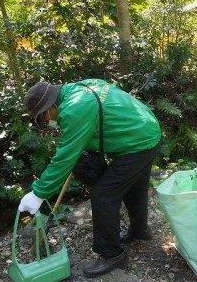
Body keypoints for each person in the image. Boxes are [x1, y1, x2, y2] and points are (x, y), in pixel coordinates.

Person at [18, 78, 161, 277]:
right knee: (133, 187)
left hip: (137, 143)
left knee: (102, 194)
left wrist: (39, 192)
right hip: (145, 131)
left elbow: (64, 157)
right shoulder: (81, 87)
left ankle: (112, 254)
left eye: (43, 117)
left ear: (50, 106)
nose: (48, 122)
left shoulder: (75, 108)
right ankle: (139, 231)